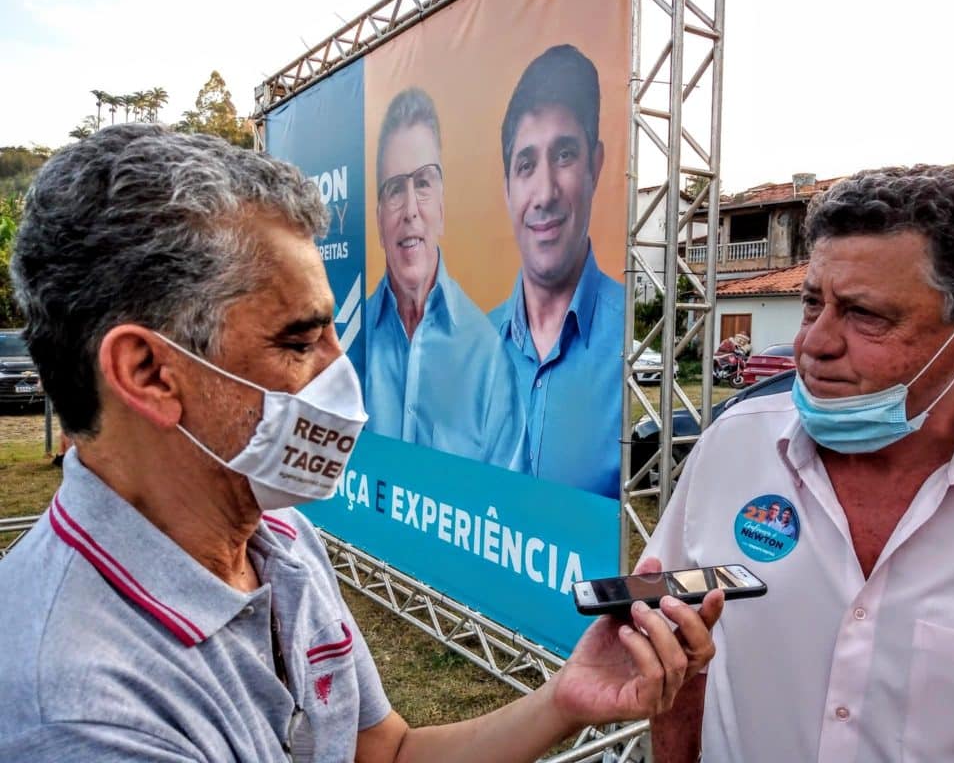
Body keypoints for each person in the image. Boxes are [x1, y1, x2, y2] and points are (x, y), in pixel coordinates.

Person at [0, 125, 723, 762]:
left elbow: (386, 752)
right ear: (149, 373)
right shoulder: (76, 708)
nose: (340, 371)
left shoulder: (281, 543)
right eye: (299, 339)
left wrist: (565, 700)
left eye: (333, 329)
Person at [644, 163, 954, 762]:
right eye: (811, 303)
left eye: (865, 315)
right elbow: (678, 649)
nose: (814, 344)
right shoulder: (732, 447)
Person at [366, 88, 528, 471]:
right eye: (394, 189)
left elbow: (505, 507)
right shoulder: (350, 343)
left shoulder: (487, 356)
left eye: (422, 182)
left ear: (441, 204)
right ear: (378, 221)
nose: (410, 211)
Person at [490, 45, 625, 499]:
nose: (544, 192)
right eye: (526, 165)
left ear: (596, 165)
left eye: (564, 155)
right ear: (507, 187)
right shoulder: (471, 351)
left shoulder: (636, 344)